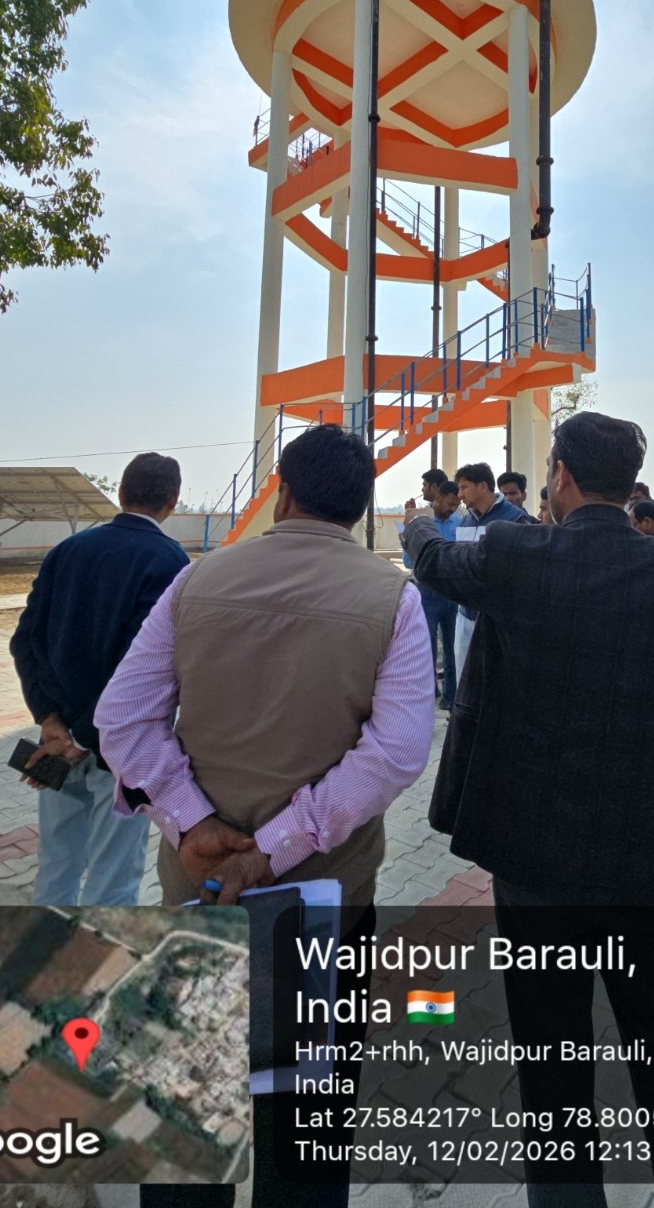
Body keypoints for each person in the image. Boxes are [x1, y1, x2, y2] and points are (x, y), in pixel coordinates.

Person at [405, 413, 654, 1206]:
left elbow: (433, 562)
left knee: (551, 1052)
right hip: (648, 847)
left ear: (558, 473)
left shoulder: (517, 554)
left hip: (534, 849)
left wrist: (419, 520)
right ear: (630, 484)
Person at [96, 424, 434, 1208]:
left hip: (199, 891)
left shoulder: (197, 580)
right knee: (307, 1118)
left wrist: (190, 823)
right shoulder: (393, 599)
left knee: (185, 1109)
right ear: (361, 507)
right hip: (325, 898)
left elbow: (123, 718)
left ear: (281, 490)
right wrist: (277, 848)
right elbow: (395, 752)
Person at [10, 453, 189, 906]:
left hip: (56, 743)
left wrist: (50, 720)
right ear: (173, 501)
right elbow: (144, 668)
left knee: (56, 864)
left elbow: (25, 640)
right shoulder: (170, 561)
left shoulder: (68, 550)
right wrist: (83, 738)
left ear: (121, 493)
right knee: (114, 880)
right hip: (122, 750)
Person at [450, 462, 528, 675]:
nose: (459, 494)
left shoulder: (515, 519)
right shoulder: (464, 523)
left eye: (464, 487)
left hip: (498, 620)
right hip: (465, 616)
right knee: (463, 679)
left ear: (483, 486)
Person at [402, 479, 463, 710]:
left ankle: (450, 696)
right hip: (427, 593)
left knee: (452, 647)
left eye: (456, 505)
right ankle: (427, 696)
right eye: (449, 503)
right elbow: (408, 561)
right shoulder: (421, 524)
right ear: (437, 498)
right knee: (425, 648)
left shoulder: (460, 523)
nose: (453, 509)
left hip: (452, 594)